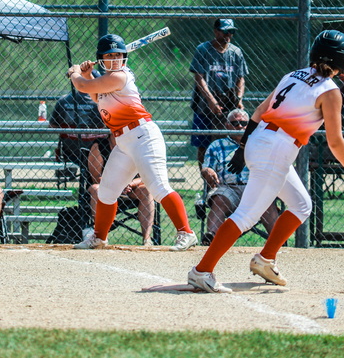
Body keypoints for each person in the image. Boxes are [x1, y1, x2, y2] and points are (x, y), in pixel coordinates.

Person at [187, 30, 344, 293]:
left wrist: (243, 146)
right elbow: (335, 141)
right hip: (277, 149)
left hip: (261, 140)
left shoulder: (292, 75)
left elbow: (258, 112)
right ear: (342, 61)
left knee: (301, 205)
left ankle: (265, 260)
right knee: (245, 216)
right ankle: (202, 271)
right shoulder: (330, 90)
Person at [67, 33, 198, 251]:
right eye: (110, 55)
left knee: (158, 188)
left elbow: (81, 87)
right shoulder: (108, 79)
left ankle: (186, 232)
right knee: (107, 191)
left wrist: (76, 74)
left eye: (119, 55)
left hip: (143, 136)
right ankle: (99, 237)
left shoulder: (120, 76)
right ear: (101, 58)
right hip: (124, 141)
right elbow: (96, 95)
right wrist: (88, 75)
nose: (115, 59)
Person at [200, 109, 278, 245]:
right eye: (235, 123)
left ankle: (278, 242)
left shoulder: (259, 143)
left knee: (266, 201)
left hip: (254, 188)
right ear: (227, 125)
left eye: (243, 123)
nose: (240, 126)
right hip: (228, 189)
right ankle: (211, 239)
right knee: (219, 199)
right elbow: (208, 167)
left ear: (249, 125)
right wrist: (207, 171)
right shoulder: (217, 145)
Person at [189, 19, 248, 165]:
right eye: (225, 31)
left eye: (231, 32)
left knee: (230, 141)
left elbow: (241, 78)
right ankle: (207, 181)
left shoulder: (236, 52)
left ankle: (225, 176)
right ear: (216, 31)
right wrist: (211, 100)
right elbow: (199, 77)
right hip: (204, 104)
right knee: (203, 144)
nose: (228, 35)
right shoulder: (203, 50)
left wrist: (239, 98)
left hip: (228, 103)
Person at [86, 138, 155, 246]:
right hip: (106, 187)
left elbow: (145, 175)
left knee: (146, 190)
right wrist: (117, 185)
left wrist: (130, 184)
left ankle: (147, 239)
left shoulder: (136, 145)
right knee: (96, 188)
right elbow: (96, 177)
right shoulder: (99, 145)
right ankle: (100, 237)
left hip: (130, 188)